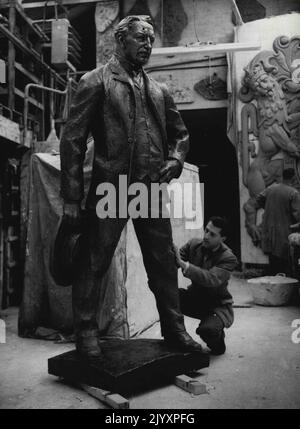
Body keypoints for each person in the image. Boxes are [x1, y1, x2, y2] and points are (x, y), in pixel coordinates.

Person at [59, 15, 202, 358]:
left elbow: (180, 134)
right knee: (94, 262)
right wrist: (72, 195)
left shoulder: (159, 90)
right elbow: (73, 140)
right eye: (141, 38)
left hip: (150, 189)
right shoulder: (95, 82)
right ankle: (86, 332)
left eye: (151, 40)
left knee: (163, 262)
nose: (147, 45)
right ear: (121, 40)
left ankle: (174, 329)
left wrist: (176, 159)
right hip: (113, 188)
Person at [174, 217, 237, 355]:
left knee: (207, 330)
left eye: (212, 234)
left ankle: (218, 341)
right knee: (170, 296)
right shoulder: (193, 245)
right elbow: (176, 260)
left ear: (223, 238)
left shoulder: (228, 258)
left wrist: (184, 265)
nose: (206, 236)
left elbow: (210, 279)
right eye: (206, 230)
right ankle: (174, 338)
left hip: (217, 306)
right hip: (196, 299)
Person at [246, 168, 300, 275]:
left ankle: (274, 283)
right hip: (285, 231)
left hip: (269, 230)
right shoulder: (293, 193)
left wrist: (269, 208)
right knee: (286, 264)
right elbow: (298, 214)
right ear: (293, 178)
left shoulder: (270, 189)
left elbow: (258, 200)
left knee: (273, 262)